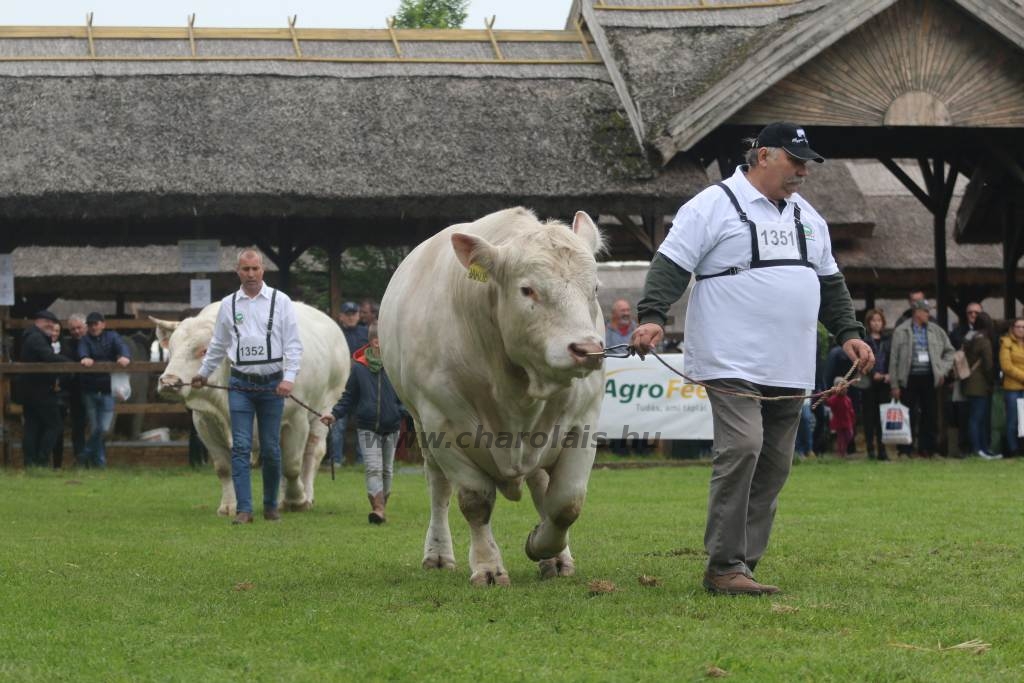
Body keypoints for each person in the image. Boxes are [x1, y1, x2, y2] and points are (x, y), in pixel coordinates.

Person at [631, 122, 873, 596]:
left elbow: (829, 283)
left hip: (791, 360)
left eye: (807, 162)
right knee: (742, 447)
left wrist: (849, 334)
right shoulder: (712, 205)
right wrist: (653, 315)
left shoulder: (809, 218)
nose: (802, 170)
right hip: (730, 356)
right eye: (794, 159)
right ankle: (724, 566)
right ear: (763, 156)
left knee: (776, 462)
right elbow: (672, 263)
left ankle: (742, 565)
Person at [192, 248, 303, 525]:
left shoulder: (281, 301)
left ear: (262, 270)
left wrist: (289, 377)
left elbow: (293, 345)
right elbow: (218, 345)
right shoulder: (228, 305)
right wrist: (203, 373)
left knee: (270, 448)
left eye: (255, 269)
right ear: (238, 272)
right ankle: (244, 509)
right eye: (245, 269)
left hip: (272, 385)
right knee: (240, 446)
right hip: (240, 384)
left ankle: (270, 506)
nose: (251, 274)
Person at [320, 323, 403, 524]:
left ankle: (382, 506)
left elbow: (405, 396)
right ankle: (378, 508)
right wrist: (334, 414)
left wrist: (401, 412)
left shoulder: (395, 366)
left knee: (387, 470)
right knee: (373, 468)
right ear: (375, 342)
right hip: (367, 428)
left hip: (392, 428)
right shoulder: (359, 369)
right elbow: (348, 397)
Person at [888, 299, 955, 458]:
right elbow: (894, 359)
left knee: (930, 415)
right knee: (907, 414)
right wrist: (894, 384)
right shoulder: (901, 331)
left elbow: (950, 352)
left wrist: (942, 371)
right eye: (925, 311)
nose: (927, 314)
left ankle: (928, 449)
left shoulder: (936, 331)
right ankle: (905, 450)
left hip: (929, 378)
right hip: (908, 378)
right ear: (916, 312)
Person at [18, 311, 73, 468]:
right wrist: (70, 363)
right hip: (39, 389)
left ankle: (30, 462)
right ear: (39, 321)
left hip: (30, 389)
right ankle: (41, 460)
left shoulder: (32, 336)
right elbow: (48, 357)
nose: (51, 325)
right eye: (48, 322)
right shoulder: (36, 337)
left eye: (53, 322)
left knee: (32, 426)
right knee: (55, 425)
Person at [78, 312, 132, 468]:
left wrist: (124, 356)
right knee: (96, 429)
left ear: (103, 324)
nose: (93, 327)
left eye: (96, 324)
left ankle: (84, 454)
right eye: (90, 324)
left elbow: (122, 347)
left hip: (108, 390)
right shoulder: (85, 340)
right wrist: (84, 358)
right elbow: (83, 352)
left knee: (104, 429)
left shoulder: (112, 336)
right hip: (90, 390)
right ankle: (100, 464)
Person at [604, 298, 651, 455]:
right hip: (616, 384)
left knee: (641, 411)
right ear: (613, 314)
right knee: (618, 412)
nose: (626, 313)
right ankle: (619, 447)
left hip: (638, 380)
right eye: (622, 310)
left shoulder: (638, 330)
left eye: (628, 310)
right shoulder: (605, 331)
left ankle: (641, 447)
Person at [329, 301, 369, 466]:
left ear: (358, 315)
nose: (351, 317)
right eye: (348, 314)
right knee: (338, 424)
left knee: (363, 424)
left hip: (362, 386)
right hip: (341, 385)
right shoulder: (334, 333)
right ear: (341, 317)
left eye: (354, 314)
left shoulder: (366, 333)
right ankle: (336, 459)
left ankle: (362, 460)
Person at [962, 312, 1000, 459]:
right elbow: (988, 365)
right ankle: (979, 449)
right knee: (978, 418)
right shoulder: (984, 341)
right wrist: (991, 380)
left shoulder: (969, 337)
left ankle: (983, 449)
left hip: (969, 381)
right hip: (980, 383)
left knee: (977, 417)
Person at [861, 309, 891, 460]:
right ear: (869, 323)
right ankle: (870, 449)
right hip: (869, 383)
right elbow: (862, 361)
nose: (876, 323)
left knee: (882, 417)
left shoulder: (887, 340)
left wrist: (889, 374)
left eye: (879, 320)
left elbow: (892, 359)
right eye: (873, 320)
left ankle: (882, 449)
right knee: (869, 417)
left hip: (885, 383)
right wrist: (873, 374)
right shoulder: (865, 341)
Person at [62, 313, 89, 464]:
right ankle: (80, 457)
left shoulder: (93, 342)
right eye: (72, 329)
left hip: (93, 389)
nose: (76, 331)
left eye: (79, 328)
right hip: (76, 392)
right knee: (78, 425)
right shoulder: (67, 345)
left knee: (98, 426)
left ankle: (94, 457)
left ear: (85, 327)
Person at [999, 317, 1024, 457]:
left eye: (1023, 327)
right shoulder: (1006, 342)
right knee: (1012, 421)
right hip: (1013, 389)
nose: (1021, 329)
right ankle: (1012, 450)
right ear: (1013, 328)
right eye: (1018, 326)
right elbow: (1007, 367)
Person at [825, 378, 856, 457]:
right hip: (839, 422)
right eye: (842, 389)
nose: (844, 390)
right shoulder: (834, 399)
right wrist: (826, 396)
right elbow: (828, 403)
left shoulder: (847, 399)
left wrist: (853, 419)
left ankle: (843, 450)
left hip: (847, 421)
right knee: (841, 438)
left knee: (849, 435)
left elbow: (850, 410)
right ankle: (841, 453)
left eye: (845, 388)